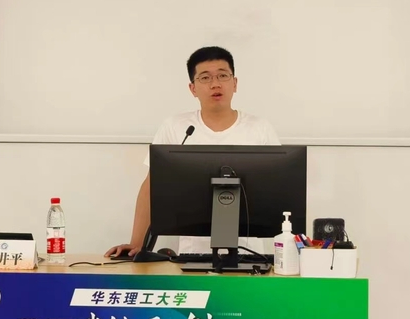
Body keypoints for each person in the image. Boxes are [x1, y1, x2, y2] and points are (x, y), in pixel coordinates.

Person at [104, 46, 280, 258]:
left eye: (223, 75)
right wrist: (137, 244)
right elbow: (152, 186)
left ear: (235, 83)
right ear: (193, 88)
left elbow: (277, 191)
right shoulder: (176, 127)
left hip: (250, 255)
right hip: (192, 256)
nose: (215, 84)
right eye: (205, 78)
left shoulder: (259, 128)